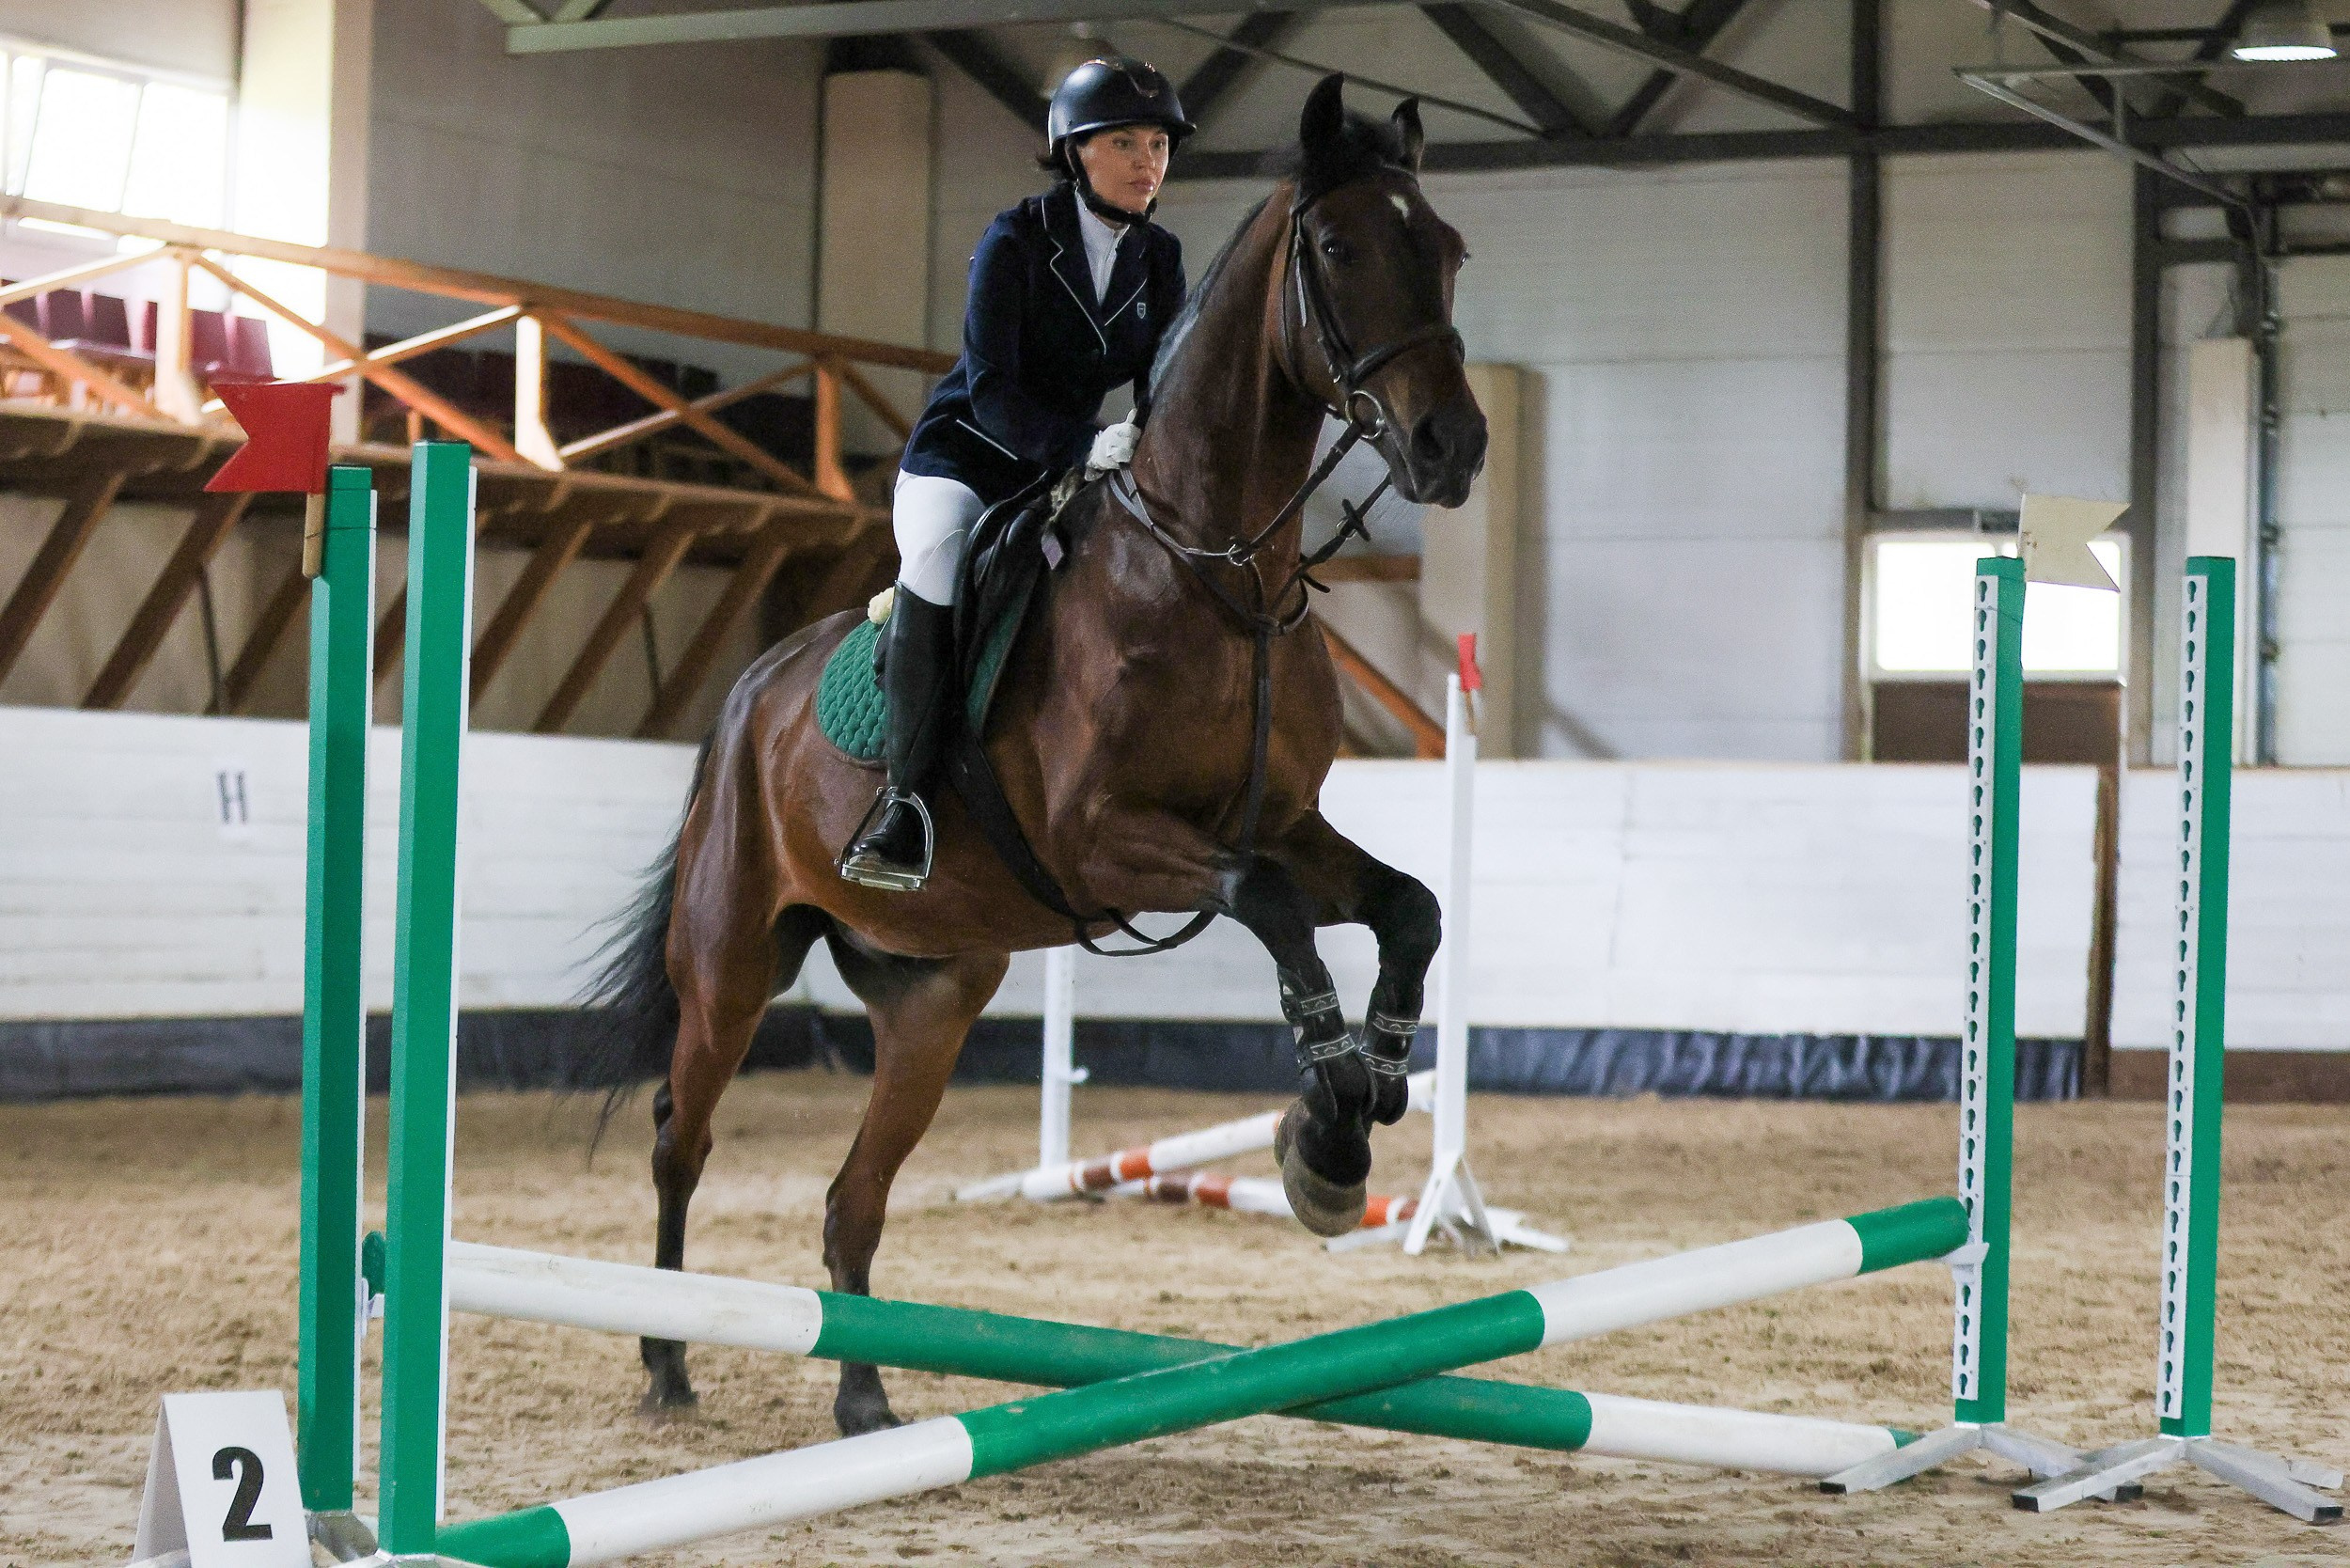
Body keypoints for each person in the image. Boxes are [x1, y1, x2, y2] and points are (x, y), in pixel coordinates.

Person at [838, 57, 1193, 892]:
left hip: (1065, 473)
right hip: (965, 457)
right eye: (1124, 143)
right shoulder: (1016, 240)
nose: (1147, 162)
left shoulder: (1159, 257)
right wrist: (1082, 445)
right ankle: (904, 806)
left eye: (1157, 145)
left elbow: (1164, 383)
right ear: (1075, 152)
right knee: (937, 558)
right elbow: (991, 386)